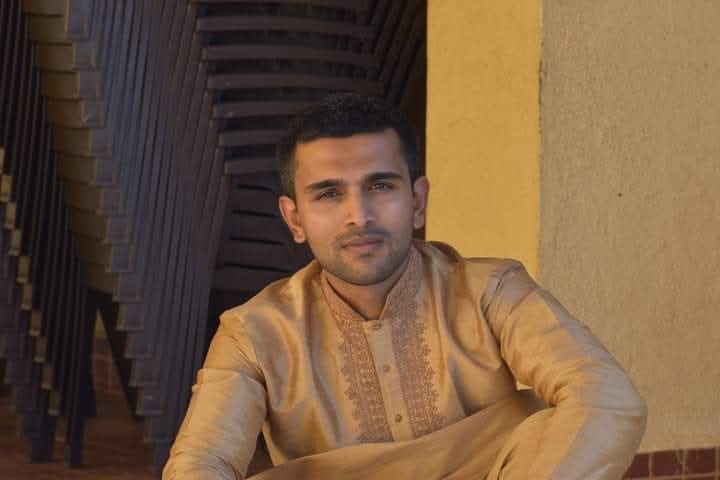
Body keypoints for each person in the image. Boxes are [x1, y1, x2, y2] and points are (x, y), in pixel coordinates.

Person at [163, 93, 646, 479]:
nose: (359, 216)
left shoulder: (491, 291)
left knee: (553, 426)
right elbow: (200, 461)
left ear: (417, 201)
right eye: (329, 193)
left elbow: (605, 396)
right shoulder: (253, 333)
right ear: (295, 219)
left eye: (380, 186)